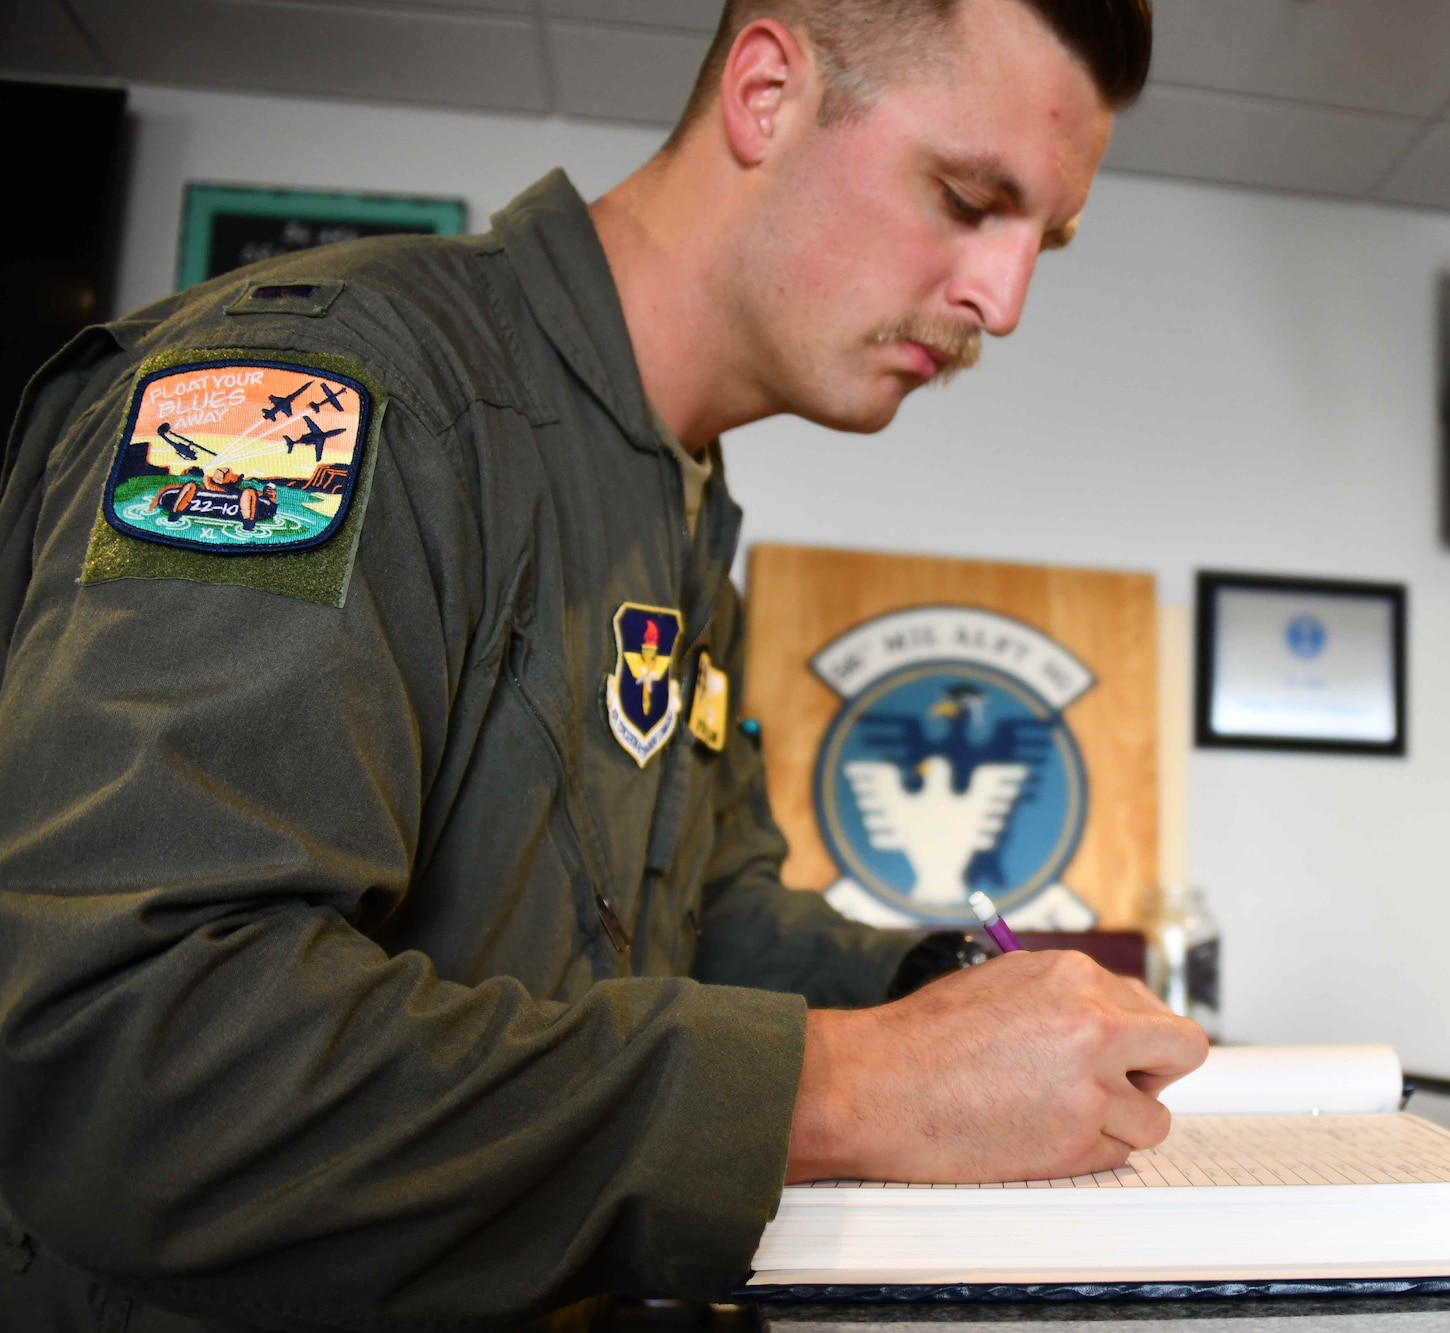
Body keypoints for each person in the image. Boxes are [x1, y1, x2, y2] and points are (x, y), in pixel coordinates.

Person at [0, 0, 1207, 1328]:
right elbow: (126, 1055)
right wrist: (850, 1083)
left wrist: (961, 994)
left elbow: (711, 922)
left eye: (1047, 238)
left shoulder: (679, 512)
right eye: (971, 197)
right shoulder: (308, 387)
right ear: (765, 93)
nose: (1006, 298)